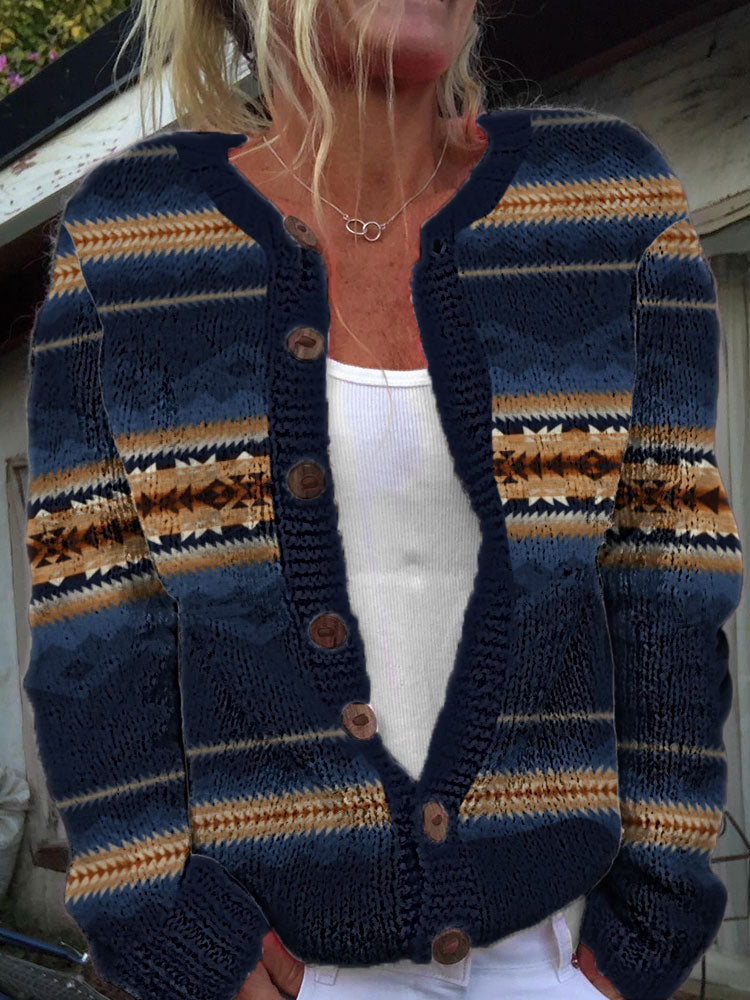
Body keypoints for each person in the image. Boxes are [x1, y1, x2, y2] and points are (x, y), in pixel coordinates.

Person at [21, 2, 743, 1000]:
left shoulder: (602, 203)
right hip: (271, 972)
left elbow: (669, 586)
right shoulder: (131, 241)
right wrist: (164, 924)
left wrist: (647, 929)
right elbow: (95, 626)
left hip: (558, 962)